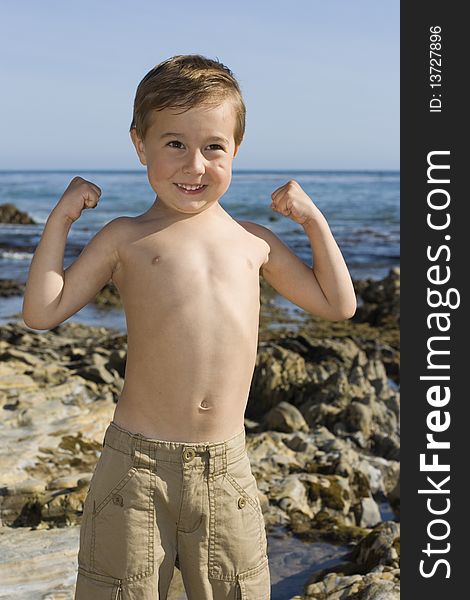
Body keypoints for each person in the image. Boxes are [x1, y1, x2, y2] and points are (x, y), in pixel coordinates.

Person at [22, 54, 357, 600]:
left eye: (213, 147)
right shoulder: (124, 238)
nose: (194, 165)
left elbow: (337, 304)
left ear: (236, 150)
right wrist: (61, 218)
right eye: (174, 143)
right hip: (136, 466)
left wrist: (312, 219)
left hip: (226, 468)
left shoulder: (256, 243)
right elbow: (42, 312)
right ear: (140, 145)